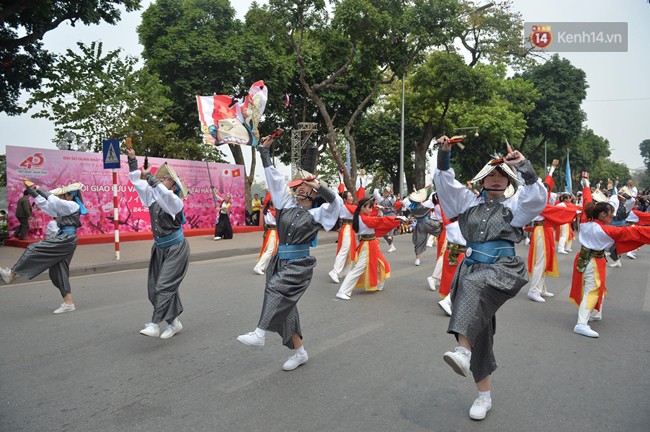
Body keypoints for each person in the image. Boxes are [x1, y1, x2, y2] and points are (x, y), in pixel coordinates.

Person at [433, 137, 546, 421]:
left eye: (502, 175)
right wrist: (444, 154)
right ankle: (484, 396)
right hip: (471, 268)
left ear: (509, 181)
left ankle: (461, 351)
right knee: (479, 332)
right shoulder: (469, 202)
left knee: (473, 288)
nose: (496, 179)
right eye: (491, 175)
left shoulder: (515, 205)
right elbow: (446, 184)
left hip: (503, 269)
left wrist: (522, 165)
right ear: (483, 180)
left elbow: (536, 196)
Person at [237, 133, 342, 371]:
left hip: (300, 264)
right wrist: (264, 152)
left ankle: (260, 333)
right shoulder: (285, 204)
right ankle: (300, 352)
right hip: (279, 262)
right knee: (286, 309)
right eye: (297, 185)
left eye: (303, 185)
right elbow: (274, 179)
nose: (298, 188)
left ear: (313, 192)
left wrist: (319, 186)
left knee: (275, 290)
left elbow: (336, 205)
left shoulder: (318, 213)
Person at [570, 174, 650, 338]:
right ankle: (581, 323)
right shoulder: (607, 230)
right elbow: (634, 232)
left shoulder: (585, 221)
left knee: (596, 288)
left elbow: (586, 200)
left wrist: (586, 184)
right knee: (592, 290)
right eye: (610, 214)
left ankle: (595, 313)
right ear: (602, 215)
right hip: (594, 261)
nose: (612, 217)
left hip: (583, 257)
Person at [127, 148, 190, 340]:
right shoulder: (153, 198)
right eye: (161, 178)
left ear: (174, 186)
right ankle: (174, 322)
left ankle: (154, 324)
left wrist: (153, 180)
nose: (162, 180)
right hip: (159, 248)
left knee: (163, 286)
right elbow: (139, 184)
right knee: (154, 288)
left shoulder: (175, 202)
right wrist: (132, 161)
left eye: (167, 179)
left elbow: (164, 195)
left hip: (176, 249)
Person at [1, 179, 87, 314]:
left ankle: (12, 274)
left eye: (63, 195)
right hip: (64, 238)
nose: (60, 197)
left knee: (33, 248)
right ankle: (68, 303)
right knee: (58, 272)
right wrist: (32, 191)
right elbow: (46, 205)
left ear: (69, 196)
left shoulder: (72, 206)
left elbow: (55, 201)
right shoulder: (64, 208)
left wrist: (38, 188)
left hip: (66, 239)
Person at [335, 197, 404, 300]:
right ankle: (343, 290)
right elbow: (380, 221)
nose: (371, 210)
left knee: (381, 263)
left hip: (371, 244)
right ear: (363, 207)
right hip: (368, 246)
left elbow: (376, 219)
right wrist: (397, 218)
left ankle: (378, 284)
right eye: (369, 207)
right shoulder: (364, 218)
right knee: (359, 268)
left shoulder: (361, 216)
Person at [402, 187, 442, 266]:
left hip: (419, 225)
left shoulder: (411, 206)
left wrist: (412, 195)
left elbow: (405, 200)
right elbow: (432, 198)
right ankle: (443, 252)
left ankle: (417, 259)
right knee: (442, 231)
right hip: (428, 223)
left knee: (419, 242)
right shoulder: (425, 204)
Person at [328, 190, 357, 284]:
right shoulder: (346, 206)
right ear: (345, 199)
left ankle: (343, 272)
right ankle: (335, 271)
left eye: (352, 196)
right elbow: (358, 211)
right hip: (347, 229)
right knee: (344, 251)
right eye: (350, 196)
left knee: (349, 251)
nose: (352, 198)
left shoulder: (348, 206)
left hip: (349, 228)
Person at [252, 196, 277, 275]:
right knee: (270, 251)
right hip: (273, 232)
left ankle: (270, 267)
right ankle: (259, 266)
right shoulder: (272, 212)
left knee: (272, 250)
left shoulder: (267, 211)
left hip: (270, 231)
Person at [373, 181, 397, 252]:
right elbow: (375, 193)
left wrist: (391, 193)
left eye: (386, 192)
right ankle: (392, 245)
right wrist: (378, 186)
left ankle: (390, 236)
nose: (384, 193)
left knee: (391, 226)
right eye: (384, 191)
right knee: (383, 232)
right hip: (385, 215)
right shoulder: (381, 199)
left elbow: (394, 199)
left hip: (391, 214)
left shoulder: (391, 199)